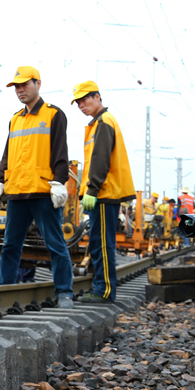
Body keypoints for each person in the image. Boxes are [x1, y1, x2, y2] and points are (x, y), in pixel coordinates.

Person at [0, 66, 73, 308]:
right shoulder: (15, 119)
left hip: (42, 192)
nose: (20, 90)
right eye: (17, 86)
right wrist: (1, 181)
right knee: (10, 245)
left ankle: (65, 292)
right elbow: (7, 154)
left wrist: (59, 183)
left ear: (38, 84)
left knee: (55, 243)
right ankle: (2, 289)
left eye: (25, 84)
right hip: (17, 192)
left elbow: (60, 152)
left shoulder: (53, 115)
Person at [73, 81, 134, 303]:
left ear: (97, 97)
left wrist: (92, 189)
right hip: (101, 193)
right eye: (78, 102)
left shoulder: (104, 122)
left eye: (85, 99)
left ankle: (105, 290)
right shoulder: (98, 122)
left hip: (104, 193)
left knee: (103, 243)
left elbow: (100, 159)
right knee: (98, 241)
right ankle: (100, 287)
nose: (81, 105)